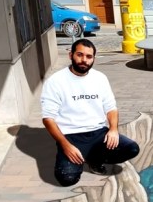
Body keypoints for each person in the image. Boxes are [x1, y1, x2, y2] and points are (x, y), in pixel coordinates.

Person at [41, 39, 140, 186]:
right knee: (67, 178)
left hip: (98, 133)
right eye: (79, 55)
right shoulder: (56, 81)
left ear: (93, 58)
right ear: (71, 55)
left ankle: (94, 159)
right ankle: (76, 160)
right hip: (70, 136)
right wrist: (65, 145)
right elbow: (48, 118)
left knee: (131, 149)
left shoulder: (100, 78)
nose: (84, 60)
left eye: (89, 56)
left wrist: (113, 129)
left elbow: (111, 107)